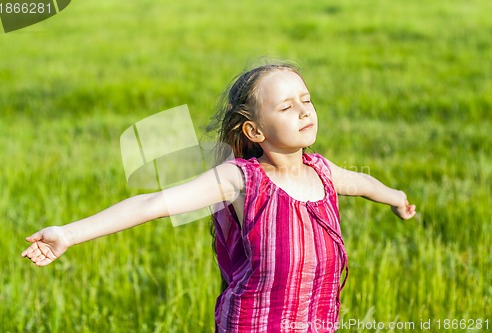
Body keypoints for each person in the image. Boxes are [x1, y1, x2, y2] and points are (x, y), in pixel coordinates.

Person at [22, 62, 416, 332]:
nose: (303, 110)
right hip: (253, 323)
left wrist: (397, 197)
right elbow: (153, 204)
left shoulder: (324, 173)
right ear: (255, 131)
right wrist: (69, 234)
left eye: (306, 99)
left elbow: (363, 184)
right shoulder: (242, 180)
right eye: (285, 106)